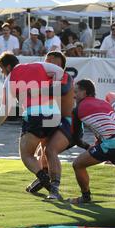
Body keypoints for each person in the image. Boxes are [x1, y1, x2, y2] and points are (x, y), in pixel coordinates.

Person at [0, 52, 64, 195]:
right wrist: (53, 88)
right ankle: (53, 184)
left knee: (26, 155)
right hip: (54, 114)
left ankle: (48, 185)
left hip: (34, 115)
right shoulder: (39, 65)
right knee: (48, 151)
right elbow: (59, 71)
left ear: (8, 67)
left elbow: (5, 108)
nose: (2, 73)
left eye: (2, 69)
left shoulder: (9, 79)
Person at [26, 51, 90, 200]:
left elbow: (61, 90)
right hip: (53, 121)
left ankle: (54, 188)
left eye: (49, 63)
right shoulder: (43, 80)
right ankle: (44, 177)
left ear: (59, 66)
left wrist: (36, 90)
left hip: (68, 123)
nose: (45, 65)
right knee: (41, 149)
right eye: (45, 61)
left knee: (50, 150)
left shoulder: (65, 77)